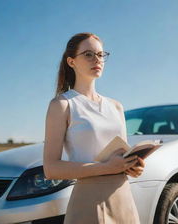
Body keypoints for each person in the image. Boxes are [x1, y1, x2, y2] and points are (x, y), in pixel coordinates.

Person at [43, 32, 145, 224]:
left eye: (100, 54)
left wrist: (133, 166)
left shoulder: (116, 106)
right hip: (89, 200)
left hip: (123, 197)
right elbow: (51, 168)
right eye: (88, 54)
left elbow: (121, 155)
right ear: (71, 62)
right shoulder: (62, 105)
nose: (96, 59)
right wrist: (105, 168)